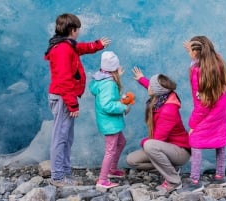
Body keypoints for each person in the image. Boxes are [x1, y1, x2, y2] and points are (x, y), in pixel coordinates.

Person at [44, 13, 111, 187]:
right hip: (63, 98)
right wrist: (72, 104)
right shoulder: (63, 49)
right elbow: (64, 79)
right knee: (61, 137)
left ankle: (64, 173)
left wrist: (97, 45)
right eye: (78, 29)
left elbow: (80, 48)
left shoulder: (64, 45)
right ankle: (58, 176)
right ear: (73, 30)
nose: (79, 32)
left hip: (63, 97)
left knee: (66, 136)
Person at [126, 67, 191, 194]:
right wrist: (141, 79)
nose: (148, 86)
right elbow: (155, 88)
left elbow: (157, 140)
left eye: (150, 85)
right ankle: (171, 170)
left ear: (156, 91)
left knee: (149, 145)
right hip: (165, 148)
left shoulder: (168, 110)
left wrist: (143, 142)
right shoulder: (162, 97)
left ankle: (174, 181)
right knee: (131, 160)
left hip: (180, 150)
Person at [183, 35, 226, 192]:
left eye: (191, 50)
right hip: (222, 106)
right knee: (220, 137)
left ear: (196, 53)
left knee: (195, 140)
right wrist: (193, 49)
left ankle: (195, 181)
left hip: (210, 108)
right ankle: (220, 176)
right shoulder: (218, 61)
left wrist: (192, 124)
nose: (189, 53)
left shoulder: (197, 71)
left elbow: (202, 104)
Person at [89, 51, 130, 192]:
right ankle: (103, 179)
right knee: (110, 150)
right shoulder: (109, 84)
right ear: (113, 69)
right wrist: (123, 107)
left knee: (121, 142)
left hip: (111, 122)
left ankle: (112, 169)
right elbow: (107, 105)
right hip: (110, 122)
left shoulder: (102, 79)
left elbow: (108, 97)